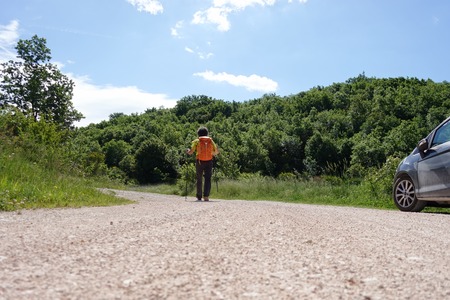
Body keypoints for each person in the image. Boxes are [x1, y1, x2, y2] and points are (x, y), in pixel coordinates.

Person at [186, 127, 219, 201]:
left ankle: (199, 196)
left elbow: (191, 152)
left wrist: (187, 151)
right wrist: (211, 154)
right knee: (208, 178)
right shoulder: (210, 140)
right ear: (207, 133)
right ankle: (206, 196)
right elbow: (216, 152)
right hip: (209, 161)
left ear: (198, 134)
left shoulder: (197, 141)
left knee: (199, 178)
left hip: (199, 161)